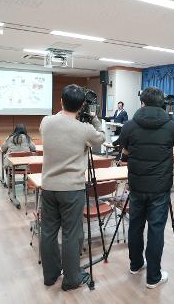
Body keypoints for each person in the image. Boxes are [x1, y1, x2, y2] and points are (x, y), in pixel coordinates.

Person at [39, 84, 105, 291]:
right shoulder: (84, 129)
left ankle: (50, 277)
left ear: (60, 101)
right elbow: (100, 139)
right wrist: (94, 119)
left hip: (48, 186)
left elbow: (60, 122)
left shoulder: (46, 122)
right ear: (83, 105)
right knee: (71, 234)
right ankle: (71, 280)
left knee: (48, 231)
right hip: (72, 189)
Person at [116, 87, 174, 289]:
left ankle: (136, 265)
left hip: (137, 185)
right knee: (156, 229)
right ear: (162, 103)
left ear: (142, 103)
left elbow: (123, 149)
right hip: (160, 187)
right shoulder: (171, 125)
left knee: (135, 225)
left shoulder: (129, 125)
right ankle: (153, 276)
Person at [1, 124, 36, 207]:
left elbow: (2, 148)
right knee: (26, 163)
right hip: (26, 166)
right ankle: (26, 181)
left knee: (7, 164)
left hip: (13, 166)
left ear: (15, 130)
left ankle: (10, 183)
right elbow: (34, 148)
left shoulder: (10, 138)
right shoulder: (27, 138)